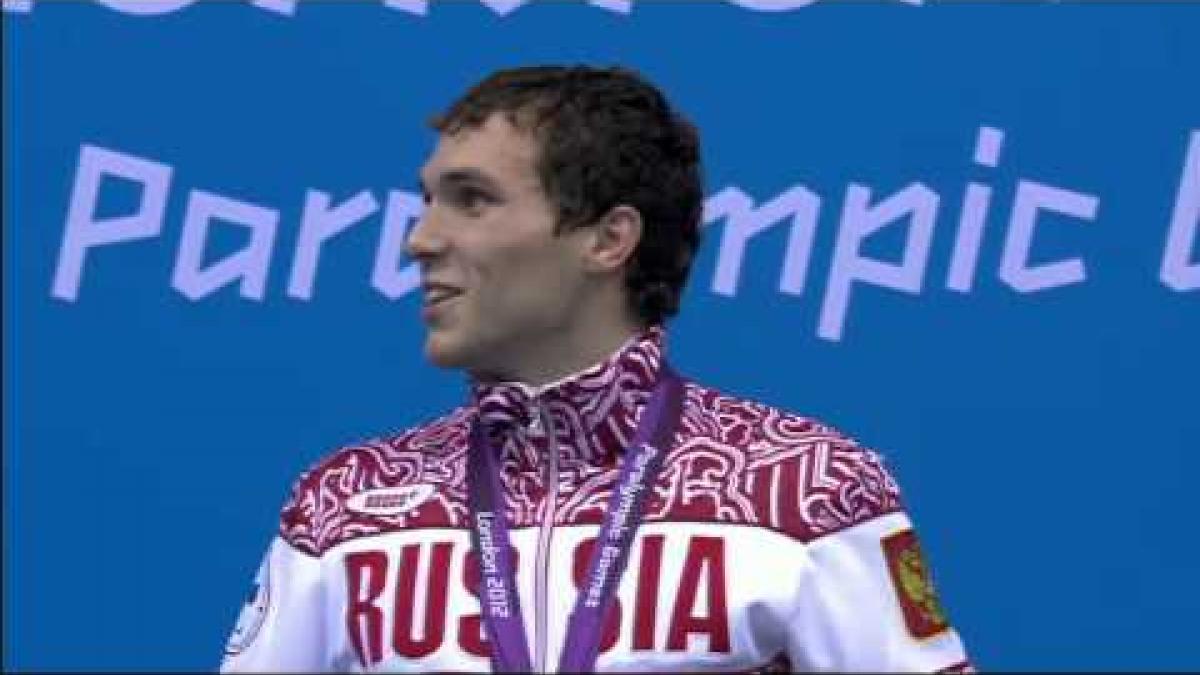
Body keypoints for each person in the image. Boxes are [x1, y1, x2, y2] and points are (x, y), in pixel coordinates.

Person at [220, 64, 973, 673]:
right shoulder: (346, 504)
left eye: (471, 201)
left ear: (608, 239)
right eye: (426, 202)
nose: (420, 238)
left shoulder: (810, 488)